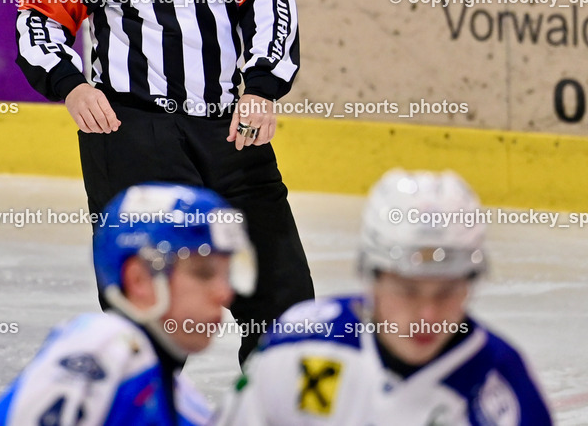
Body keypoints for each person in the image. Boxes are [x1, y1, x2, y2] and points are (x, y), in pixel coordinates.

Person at [15, 0, 313, 363]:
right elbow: (39, 22)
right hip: (136, 140)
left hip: (232, 127)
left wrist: (261, 87)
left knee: (288, 314)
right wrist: (70, 84)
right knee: (149, 321)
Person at [220, 169, 553, 425]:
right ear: (371, 277)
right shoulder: (298, 346)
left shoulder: (503, 388)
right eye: (407, 291)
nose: (427, 315)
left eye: (447, 292)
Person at [0, 183, 256, 425]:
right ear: (139, 279)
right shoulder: (102, 345)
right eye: (203, 273)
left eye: (226, 275)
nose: (224, 294)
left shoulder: (182, 400)